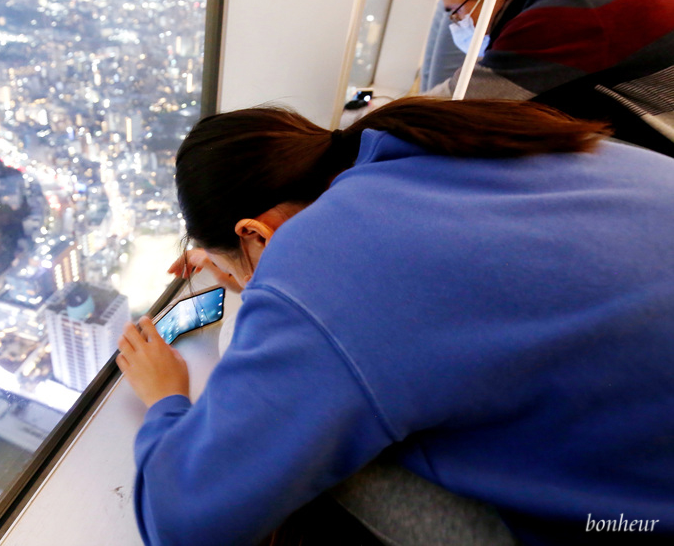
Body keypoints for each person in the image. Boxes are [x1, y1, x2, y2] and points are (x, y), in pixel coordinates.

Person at [117, 98, 674, 546]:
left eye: (230, 269)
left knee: (319, 460)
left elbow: (183, 522)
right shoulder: (434, 144)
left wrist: (166, 399)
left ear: (256, 232)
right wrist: (238, 262)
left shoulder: (326, 258)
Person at [422, 0, 674, 156]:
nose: (457, 23)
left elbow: (460, 101)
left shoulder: (563, 11)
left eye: (456, 12)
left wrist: (385, 120)